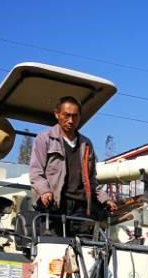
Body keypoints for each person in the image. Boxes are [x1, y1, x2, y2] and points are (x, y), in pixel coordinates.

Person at [29, 95, 118, 236]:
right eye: (66, 115)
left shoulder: (86, 144)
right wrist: (45, 191)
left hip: (81, 209)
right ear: (57, 114)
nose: (70, 120)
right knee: (54, 252)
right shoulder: (44, 139)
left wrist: (105, 199)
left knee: (83, 251)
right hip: (55, 207)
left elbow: (92, 180)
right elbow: (36, 172)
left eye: (75, 116)